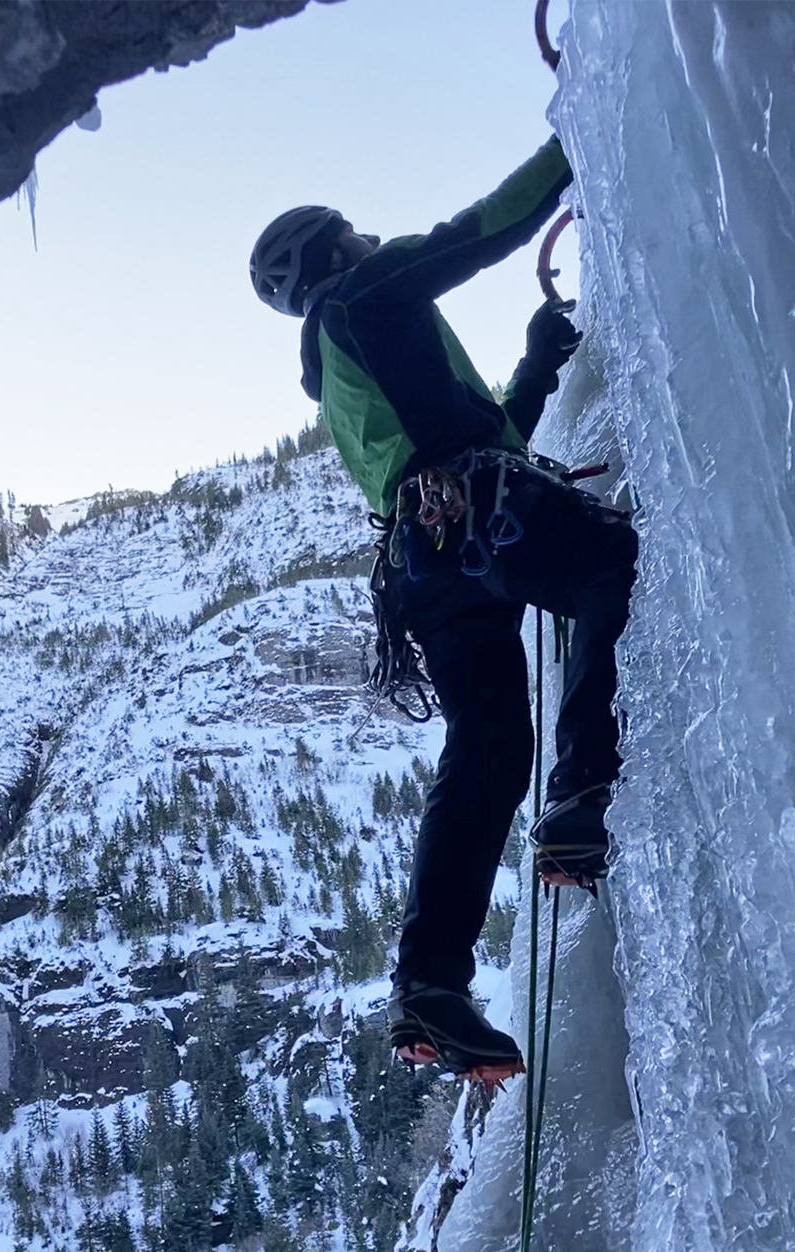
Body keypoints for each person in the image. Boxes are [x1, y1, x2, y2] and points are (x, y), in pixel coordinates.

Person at [249, 136, 638, 1081]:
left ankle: (429, 982)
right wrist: (572, 141)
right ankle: (582, 790)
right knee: (606, 565)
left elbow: (479, 430)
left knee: (489, 751)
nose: (368, 239)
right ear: (331, 255)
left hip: (426, 561)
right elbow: (479, 233)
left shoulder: (347, 363)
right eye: (351, 235)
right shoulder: (366, 294)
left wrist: (540, 365)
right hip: (480, 514)